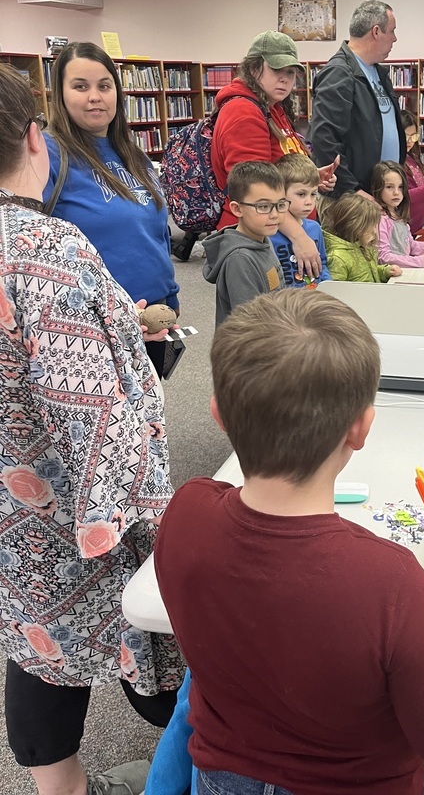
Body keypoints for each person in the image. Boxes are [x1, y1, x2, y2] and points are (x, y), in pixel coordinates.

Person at [153, 288, 424, 795]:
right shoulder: (388, 582)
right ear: (361, 429)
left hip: (220, 779)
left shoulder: (186, 511)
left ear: (218, 413)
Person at [0, 64, 183, 795]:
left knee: (34, 639)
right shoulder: (49, 250)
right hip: (78, 506)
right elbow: (98, 418)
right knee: (154, 636)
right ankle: (201, 774)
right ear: (38, 139)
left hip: (12, 511)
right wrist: (152, 526)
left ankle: (60, 790)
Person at [43, 41, 179, 379]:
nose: (95, 96)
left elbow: (155, 232)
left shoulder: (133, 155)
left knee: (150, 416)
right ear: (59, 94)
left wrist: (171, 297)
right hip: (92, 325)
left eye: (104, 86)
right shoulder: (48, 155)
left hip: (152, 314)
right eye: (80, 86)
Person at [209, 31, 337, 278]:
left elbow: (275, 167)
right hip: (262, 237)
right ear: (254, 68)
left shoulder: (270, 106)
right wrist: (299, 236)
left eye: (290, 72)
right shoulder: (244, 112)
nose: (285, 79)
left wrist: (308, 180)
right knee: (268, 312)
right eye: (277, 69)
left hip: (280, 231)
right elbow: (254, 190)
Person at [309, 0, 406, 199]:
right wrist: (352, 190)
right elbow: (324, 140)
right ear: (376, 32)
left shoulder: (379, 72)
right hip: (356, 198)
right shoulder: (339, 73)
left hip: (381, 192)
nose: (395, 39)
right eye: (392, 31)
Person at [202, 161, 286, 327]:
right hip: (252, 347)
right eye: (263, 206)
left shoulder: (262, 239)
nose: (275, 214)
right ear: (237, 209)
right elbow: (250, 325)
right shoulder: (240, 260)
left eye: (281, 205)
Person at [271, 153, 331, 288]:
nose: (309, 202)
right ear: (280, 193)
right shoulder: (269, 234)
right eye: (301, 194)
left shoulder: (315, 228)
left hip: (314, 300)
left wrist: (328, 285)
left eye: (313, 194)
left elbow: (322, 263)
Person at [371, 161, 424, 268]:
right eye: (389, 187)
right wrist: (419, 262)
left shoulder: (398, 215)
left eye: (400, 187)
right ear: (377, 188)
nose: (396, 193)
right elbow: (383, 257)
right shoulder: (380, 220)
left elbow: (410, 246)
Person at [323, 193, 402, 282]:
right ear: (354, 226)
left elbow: (368, 272)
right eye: (370, 226)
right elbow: (332, 292)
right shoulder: (337, 258)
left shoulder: (363, 247)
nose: (375, 232)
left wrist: (385, 271)